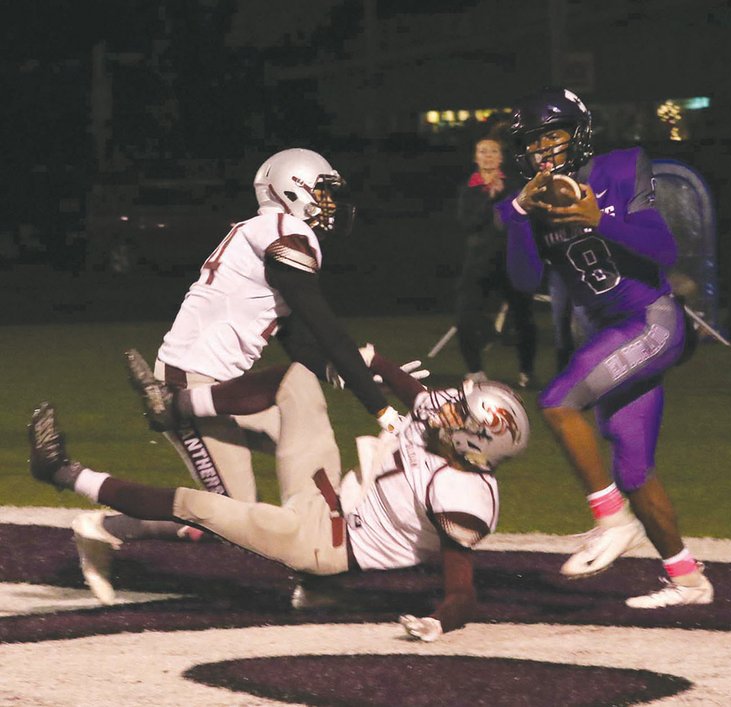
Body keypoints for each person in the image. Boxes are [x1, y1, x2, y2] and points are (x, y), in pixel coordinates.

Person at [69, 148, 425, 604]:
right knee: (231, 520)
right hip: (191, 385)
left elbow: (298, 338)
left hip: (220, 387)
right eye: (322, 192)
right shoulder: (287, 233)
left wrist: (360, 376)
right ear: (292, 187)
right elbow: (324, 326)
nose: (329, 204)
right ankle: (104, 528)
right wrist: (378, 404)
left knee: (313, 455)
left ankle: (316, 578)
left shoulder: (263, 232)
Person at [28, 348, 530, 642]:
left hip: (322, 545)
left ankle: (61, 470)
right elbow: (379, 363)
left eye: (458, 414)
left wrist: (437, 624)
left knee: (197, 505)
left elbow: (461, 591)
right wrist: (356, 360)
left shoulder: (464, 495)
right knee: (297, 380)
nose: (444, 409)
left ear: (475, 440)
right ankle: (176, 406)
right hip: (328, 492)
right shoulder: (442, 417)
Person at [496, 86, 713, 608]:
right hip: (608, 332)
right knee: (633, 467)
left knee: (557, 401)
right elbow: (524, 280)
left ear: (578, 131)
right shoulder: (532, 200)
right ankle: (688, 580)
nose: (545, 148)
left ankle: (610, 518)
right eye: (534, 140)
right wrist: (520, 216)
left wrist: (601, 220)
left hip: (650, 320)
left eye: (554, 134)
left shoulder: (619, 167)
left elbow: (664, 248)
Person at [455, 136, 538, 388]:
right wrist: (487, 198)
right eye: (482, 151)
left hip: (511, 261)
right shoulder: (469, 189)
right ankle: (476, 371)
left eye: (493, 151)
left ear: (501, 158)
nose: (488, 156)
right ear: (475, 157)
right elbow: (468, 223)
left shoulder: (513, 186)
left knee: (523, 317)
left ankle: (526, 372)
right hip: (478, 263)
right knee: (465, 316)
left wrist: (502, 195)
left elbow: (523, 219)